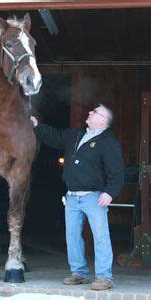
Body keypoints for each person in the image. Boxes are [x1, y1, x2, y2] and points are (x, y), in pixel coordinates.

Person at [30, 104, 124, 290]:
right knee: (72, 236)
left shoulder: (108, 142)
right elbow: (55, 137)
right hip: (72, 196)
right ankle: (80, 274)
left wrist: (110, 192)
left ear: (103, 120)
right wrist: (36, 126)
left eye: (95, 112)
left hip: (94, 197)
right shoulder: (76, 134)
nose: (90, 113)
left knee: (100, 237)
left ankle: (105, 278)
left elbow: (117, 171)